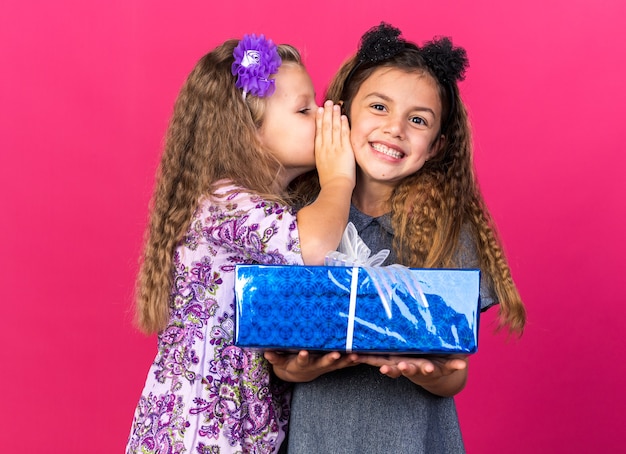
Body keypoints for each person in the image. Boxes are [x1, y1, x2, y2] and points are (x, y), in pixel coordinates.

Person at [267, 23, 527, 453]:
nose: (395, 129)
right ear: (343, 110)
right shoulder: (298, 216)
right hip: (316, 440)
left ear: (438, 145)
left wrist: (428, 372)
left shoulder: (447, 231)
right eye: (379, 107)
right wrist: (299, 371)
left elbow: (455, 371)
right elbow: (279, 359)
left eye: (418, 120)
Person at [125, 34, 355, 453]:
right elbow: (314, 247)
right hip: (197, 430)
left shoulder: (271, 207)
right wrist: (340, 176)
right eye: (305, 109)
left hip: (242, 427)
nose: (323, 116)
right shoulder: (222, 201)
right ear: (248, 135)